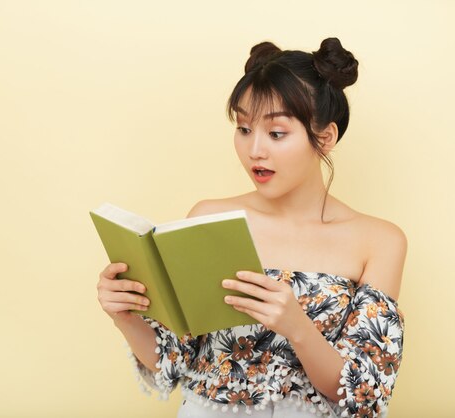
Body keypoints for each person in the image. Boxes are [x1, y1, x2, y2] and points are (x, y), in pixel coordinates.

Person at [96, 37, 406, 418]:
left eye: (276, 134)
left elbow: (362, 394)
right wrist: (123, 317)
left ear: (324, 138)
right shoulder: (208, 219)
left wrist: (297, 327)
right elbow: (173, 362)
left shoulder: (379, 241)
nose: (255, 149)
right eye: (244, 128)